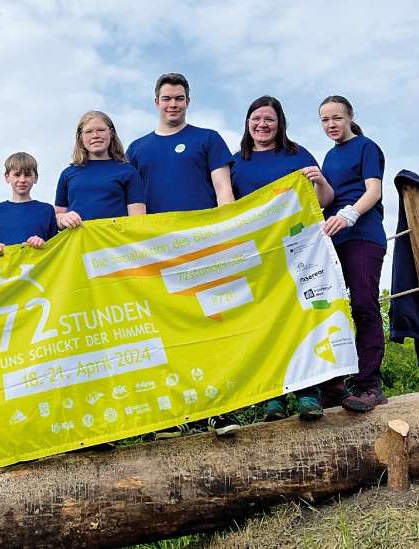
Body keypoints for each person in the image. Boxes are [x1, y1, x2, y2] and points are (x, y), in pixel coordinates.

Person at [230, 95, 335, 422]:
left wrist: (319, 181)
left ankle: (307, 391)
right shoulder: (235, 162)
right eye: (256, 119)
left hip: (296, 249)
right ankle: (274, 396)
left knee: (299, 316)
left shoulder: (296, 154)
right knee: (265, 321)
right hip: (255, 253)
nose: (262, 125)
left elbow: (324, 200)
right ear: (248, 122)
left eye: (269, 120)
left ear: (280, 124)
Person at [317, 95, 388, 413]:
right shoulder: (328, 158)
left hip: (363, 236)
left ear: (349, 117)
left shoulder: (366, 147)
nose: (331, 125)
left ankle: (369, 384)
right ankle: (334, 387)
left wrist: (349, 215)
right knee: (331, 309)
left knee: (363, 305)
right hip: (334, 242)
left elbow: (374, 190)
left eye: (337, 118)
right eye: (325, 120)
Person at [126, 72, 235, 214]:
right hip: (155, 233)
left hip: (202, 232)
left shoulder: (209, 138)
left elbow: (223, 189)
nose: (173, 104)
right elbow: (123, 196)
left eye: (179, 99)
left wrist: (229, 226)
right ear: (157, 103)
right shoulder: (136, 149)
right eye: (166, 99)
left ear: (187, 102)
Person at [55, 110, 146, 229]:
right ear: (81, 138)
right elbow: (58, 216)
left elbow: (138, 221)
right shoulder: (68, 174)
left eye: (101, 130)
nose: (95, 135)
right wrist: (63, 218)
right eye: (88, 132)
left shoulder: (128, 172)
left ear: (111, 133)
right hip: (80, 245)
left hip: (116, 245)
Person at [0, 152, 59, 255]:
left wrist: (43, 244)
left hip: (38, 269)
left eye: (27, 175)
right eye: (17, 175)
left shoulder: (47, 210)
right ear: (7, 177)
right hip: (5, 270)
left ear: (36, 177)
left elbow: (55, 247)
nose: (22, 180)